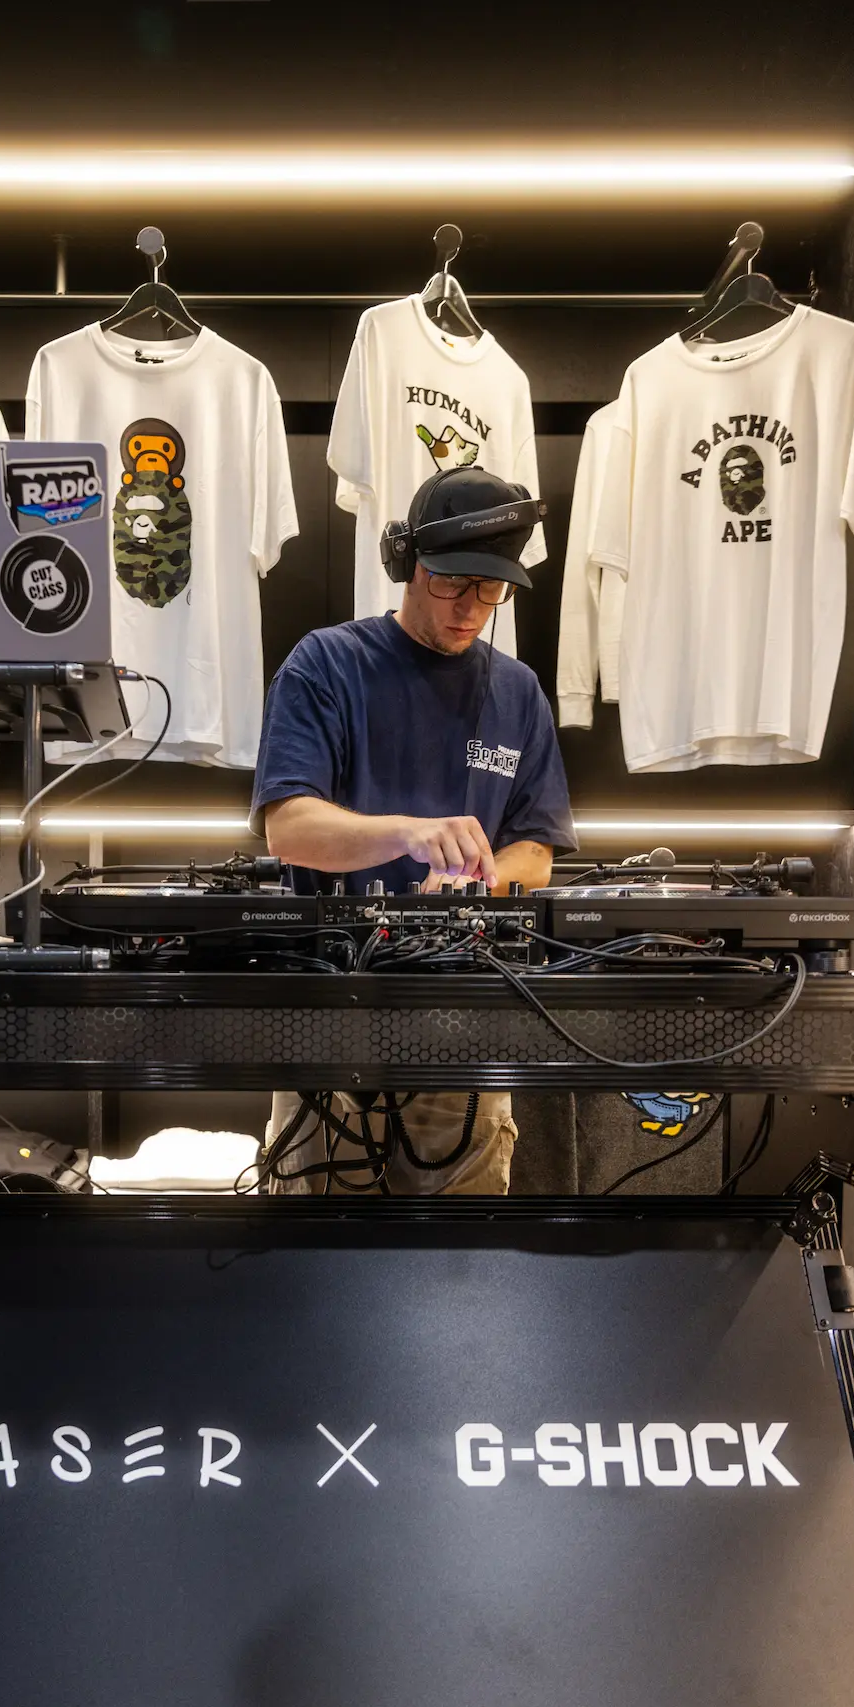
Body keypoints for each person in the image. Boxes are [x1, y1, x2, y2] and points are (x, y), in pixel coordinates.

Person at [250, 466, 578, 1194]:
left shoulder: (518, 691)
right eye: (453, 583)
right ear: (407, 563)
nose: (471, 608)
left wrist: (473, 881)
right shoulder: (326, 665)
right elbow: (289, 829)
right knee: (306, 1243)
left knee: (460, 1246)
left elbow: (535, 851)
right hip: (326, 1003)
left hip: (467, 1008)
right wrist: (407, 834)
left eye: (491, 590)